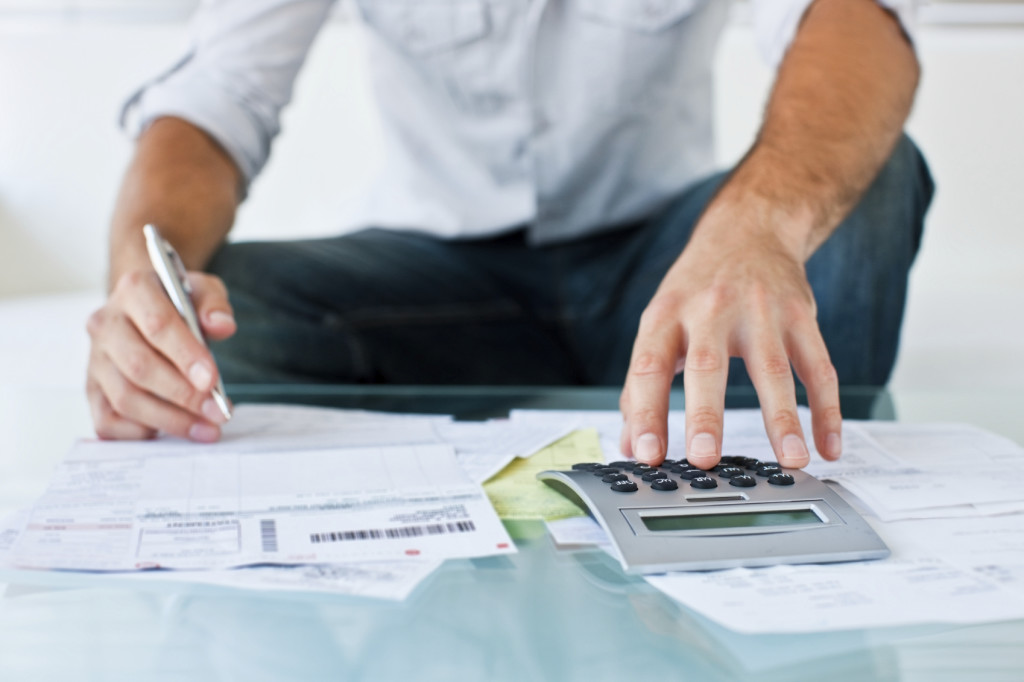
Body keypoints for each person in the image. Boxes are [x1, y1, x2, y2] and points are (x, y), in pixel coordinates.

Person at [85, 0, 933, 471]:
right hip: (427, 295)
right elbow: (213, 99)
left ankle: (757, 484)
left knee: (871, 179)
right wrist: (143, 284)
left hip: (667, 273)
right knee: (225, 318)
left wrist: (754, 229)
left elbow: (856, 18)